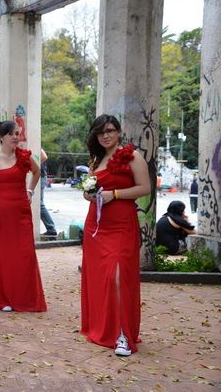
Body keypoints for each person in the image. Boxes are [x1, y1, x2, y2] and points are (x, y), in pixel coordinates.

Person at [80, 114, 150, 357]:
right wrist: (88, 195)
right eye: (101, 132)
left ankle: (122, 335)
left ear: (118, 131)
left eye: (110, 130)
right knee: (101, 278)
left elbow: (145, 188)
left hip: (121, 225)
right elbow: (89, 190)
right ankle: (102, 327)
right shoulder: (95, 161)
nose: (106, 135)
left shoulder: (132, 156)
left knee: (118, 276)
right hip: (96, 227)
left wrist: (115, 194)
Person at [0, 121, 47, 313]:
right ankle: (2, 297)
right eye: (11, 134)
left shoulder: (24, 156)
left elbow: (36, 172)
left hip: (21, 212)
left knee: (23, 254)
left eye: (17, 133)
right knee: (2, 256)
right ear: (1, 137)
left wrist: (30, 190)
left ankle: (22, 296)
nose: (16, 137)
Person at [40, 149, 57, 237]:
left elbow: (44, 156)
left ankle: (51, 228)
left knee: (39, 204)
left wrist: (33, 166)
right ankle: (51, 229)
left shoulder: (34, 144)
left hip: (39, 176)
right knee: (39, 204)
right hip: (40, 176)